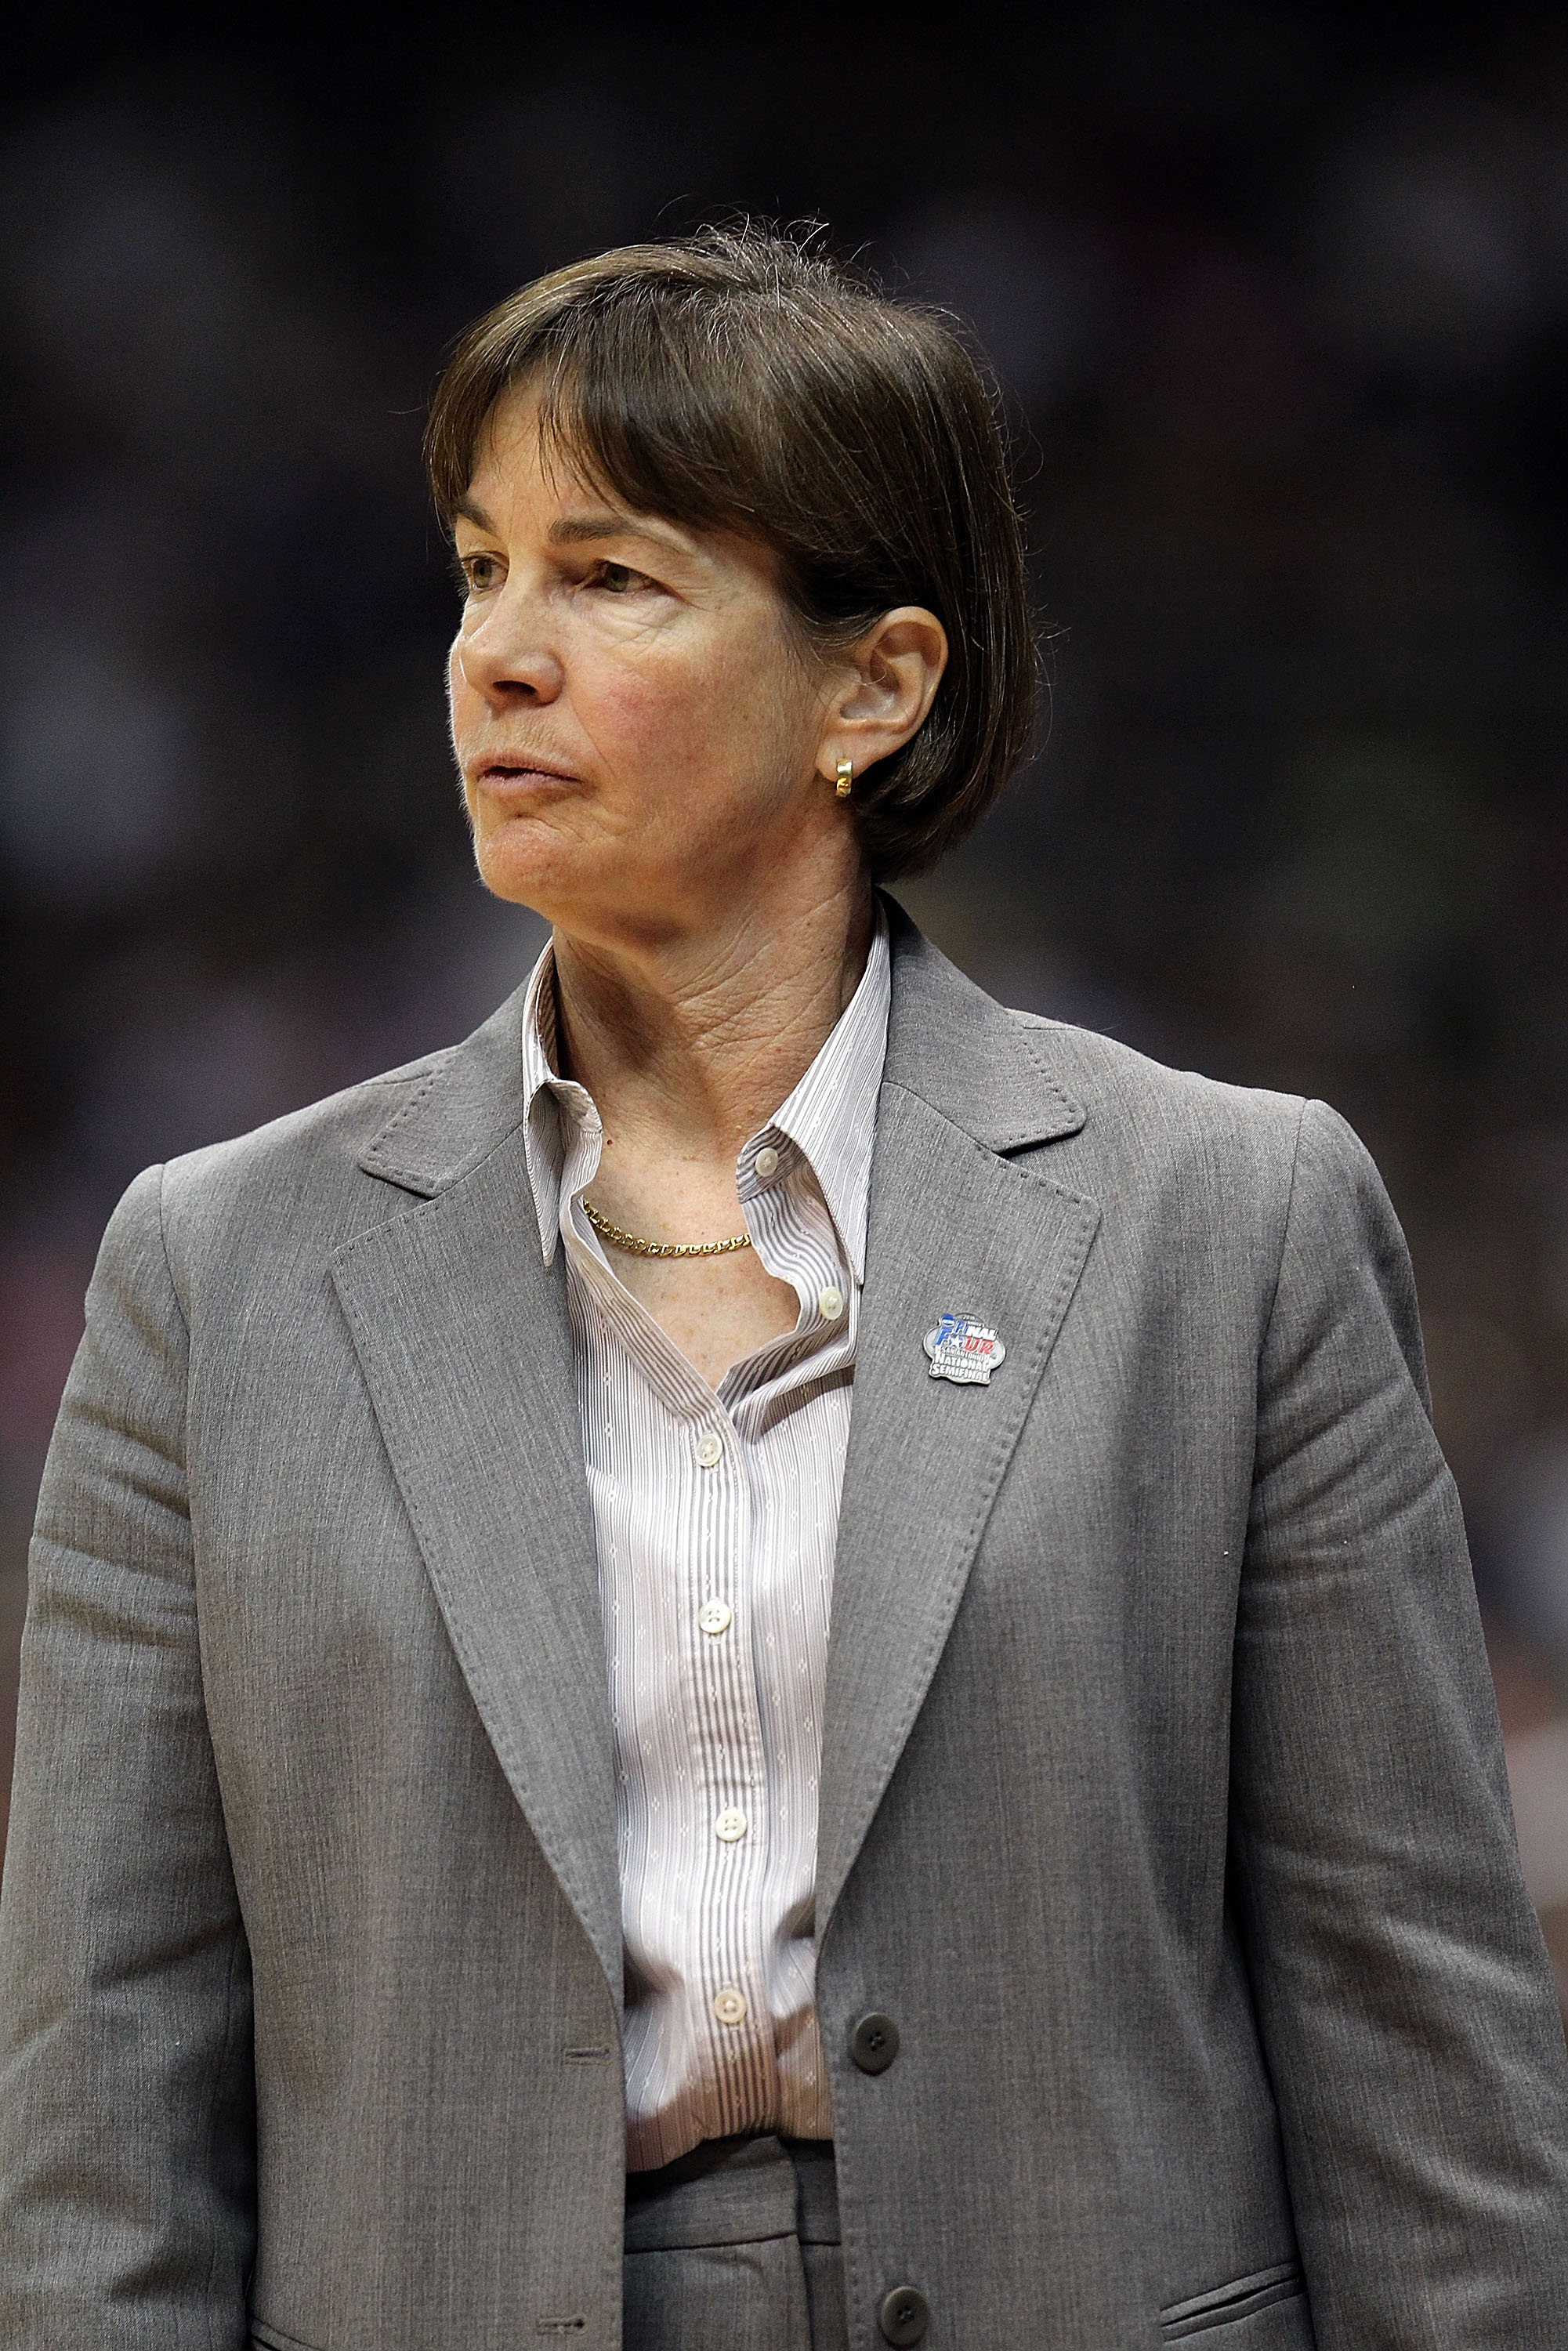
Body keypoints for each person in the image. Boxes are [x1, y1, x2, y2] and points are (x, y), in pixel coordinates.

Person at [1, 225, 1565, 2351]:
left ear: (873, 685)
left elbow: (1415, 2036)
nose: (497, 655)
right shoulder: (219, 1267)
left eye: (612, 577)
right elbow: (105, 2089)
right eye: (479, 570)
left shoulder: (1230, 1219)